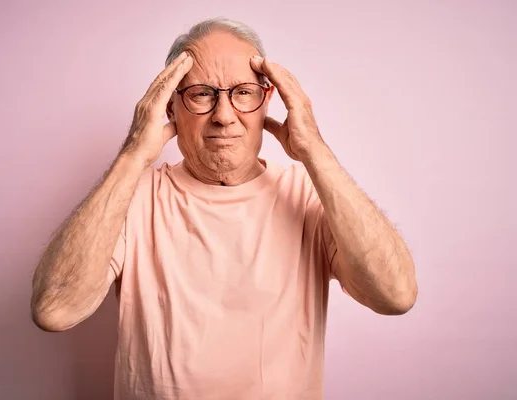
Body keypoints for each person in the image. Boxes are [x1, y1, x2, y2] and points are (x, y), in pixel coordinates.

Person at [30, 17, 418, 400]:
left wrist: (315, 151)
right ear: (169, 108)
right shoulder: (131, 197)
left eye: (243, 92)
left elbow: (395, 295)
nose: (224, 115)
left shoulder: (310, 194)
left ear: (267, 100)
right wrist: (133, 155)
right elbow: (54, 311)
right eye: (201, 93)